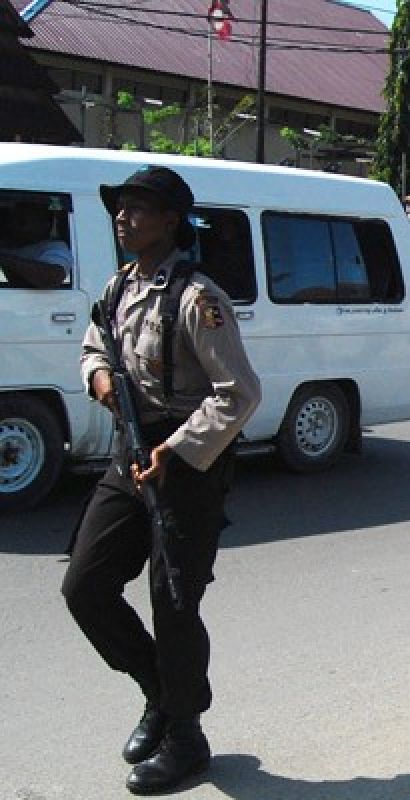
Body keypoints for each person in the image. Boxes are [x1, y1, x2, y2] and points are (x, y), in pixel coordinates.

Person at [61, 166, 261, 795]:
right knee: (85, 586)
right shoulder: (121, 286)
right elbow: (95, 347)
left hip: (187, 467)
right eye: (120, 208)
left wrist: (175, 449)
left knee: (174, 604)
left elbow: (240, 395)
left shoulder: (198, 299)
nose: (124, 218)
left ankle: (186, 737)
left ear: (172, 220)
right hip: (131, 454)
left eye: (138, 208)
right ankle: (159, 692)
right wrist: (99, 381)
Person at [0, 201, 71, 288]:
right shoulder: (8, 245)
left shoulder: (55, 247)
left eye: (22, 222)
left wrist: (5, 259)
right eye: (11, 219)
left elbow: (52, 277)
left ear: (44, 224)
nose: (12, 225)